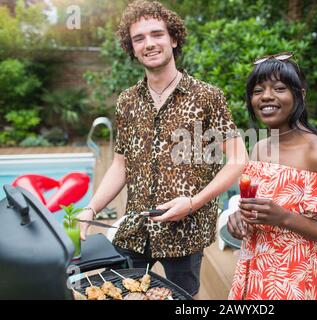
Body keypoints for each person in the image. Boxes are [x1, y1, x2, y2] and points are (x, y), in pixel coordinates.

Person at [77, 0, 247, 298]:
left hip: (186, 231)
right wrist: (91, 208)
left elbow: (237, 160)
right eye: (139, 38)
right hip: (136, 226)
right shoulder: (127, 101)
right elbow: (120, 166)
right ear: (131, 48)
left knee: (183, 298)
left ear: (174, 38)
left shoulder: (208, 96)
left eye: (157, 34)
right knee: (120, 292)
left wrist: (193, 203)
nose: (149, 43)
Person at [227, 52, 317, 300]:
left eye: (279, 88)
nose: (266, 96)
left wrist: (285, 218)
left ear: (300, 95)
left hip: (292, 280)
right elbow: (256, 209)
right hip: (251, 271)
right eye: (257, 90)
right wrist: (239, 219)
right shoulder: (259, 148)